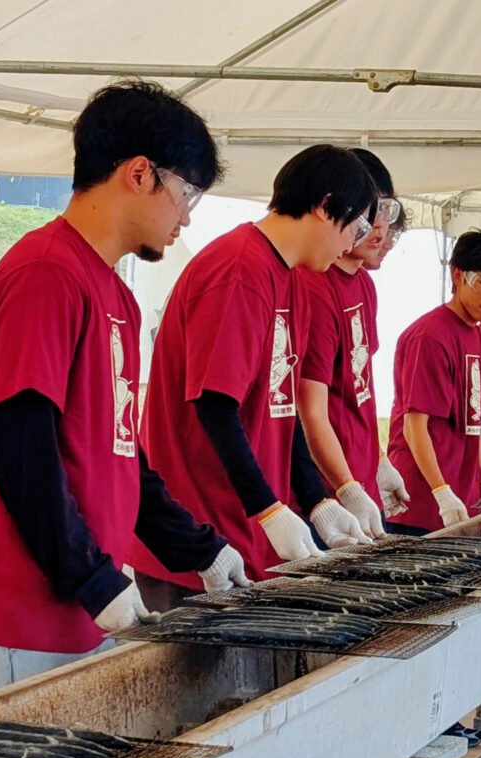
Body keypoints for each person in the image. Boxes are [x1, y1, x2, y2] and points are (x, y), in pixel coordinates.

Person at [0, 81, 249, 692]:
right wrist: (90, 579)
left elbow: (120, 457)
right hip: (32, 613)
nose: (187, 215)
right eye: (187, 192)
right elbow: (18, 445)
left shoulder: (115, 292)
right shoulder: (46, 273)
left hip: (85, 602)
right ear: (140, 173)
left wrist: (199, 549)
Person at [129, 145, 380, 607]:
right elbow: (214, 404)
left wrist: (318, 499)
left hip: (247, 539)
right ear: (325, 207)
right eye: (356, 226)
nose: (352, 244)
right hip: (201, 544)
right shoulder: (240, 269)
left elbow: (282, 410)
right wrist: (267, 508)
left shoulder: (293, 277)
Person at [297, 149, 409, 540]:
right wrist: (344, 486)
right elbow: (309, 409)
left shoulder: (364, 285)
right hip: (323, 499)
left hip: (356, 483)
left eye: (387, 214)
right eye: (370, 213)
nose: (380, 230)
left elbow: (359, 390)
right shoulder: (313, 285)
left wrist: (377, 462)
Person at [386, 231, 481, 533]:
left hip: (463, 496)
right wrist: (440, 491)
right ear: (458, 275)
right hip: (421, 504)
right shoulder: (430, 336)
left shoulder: (476, 334)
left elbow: (471, 422)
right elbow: (414, 426)